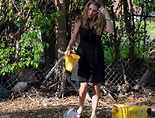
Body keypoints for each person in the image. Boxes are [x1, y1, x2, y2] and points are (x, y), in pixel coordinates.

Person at [65, 0, 113, 118]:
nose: (90, 12)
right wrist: (68, 48)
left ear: (98, 12)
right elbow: (73, 37)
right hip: (83, 55)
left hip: (97, 55)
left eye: (94, 10)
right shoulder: (80, 20)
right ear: (86, 8)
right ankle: (81, 107)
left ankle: (93, 114)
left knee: (96, 86)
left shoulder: (100, 22)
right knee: (83, 86)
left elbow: (111, 31)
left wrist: (106, 14)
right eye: (89, 9)